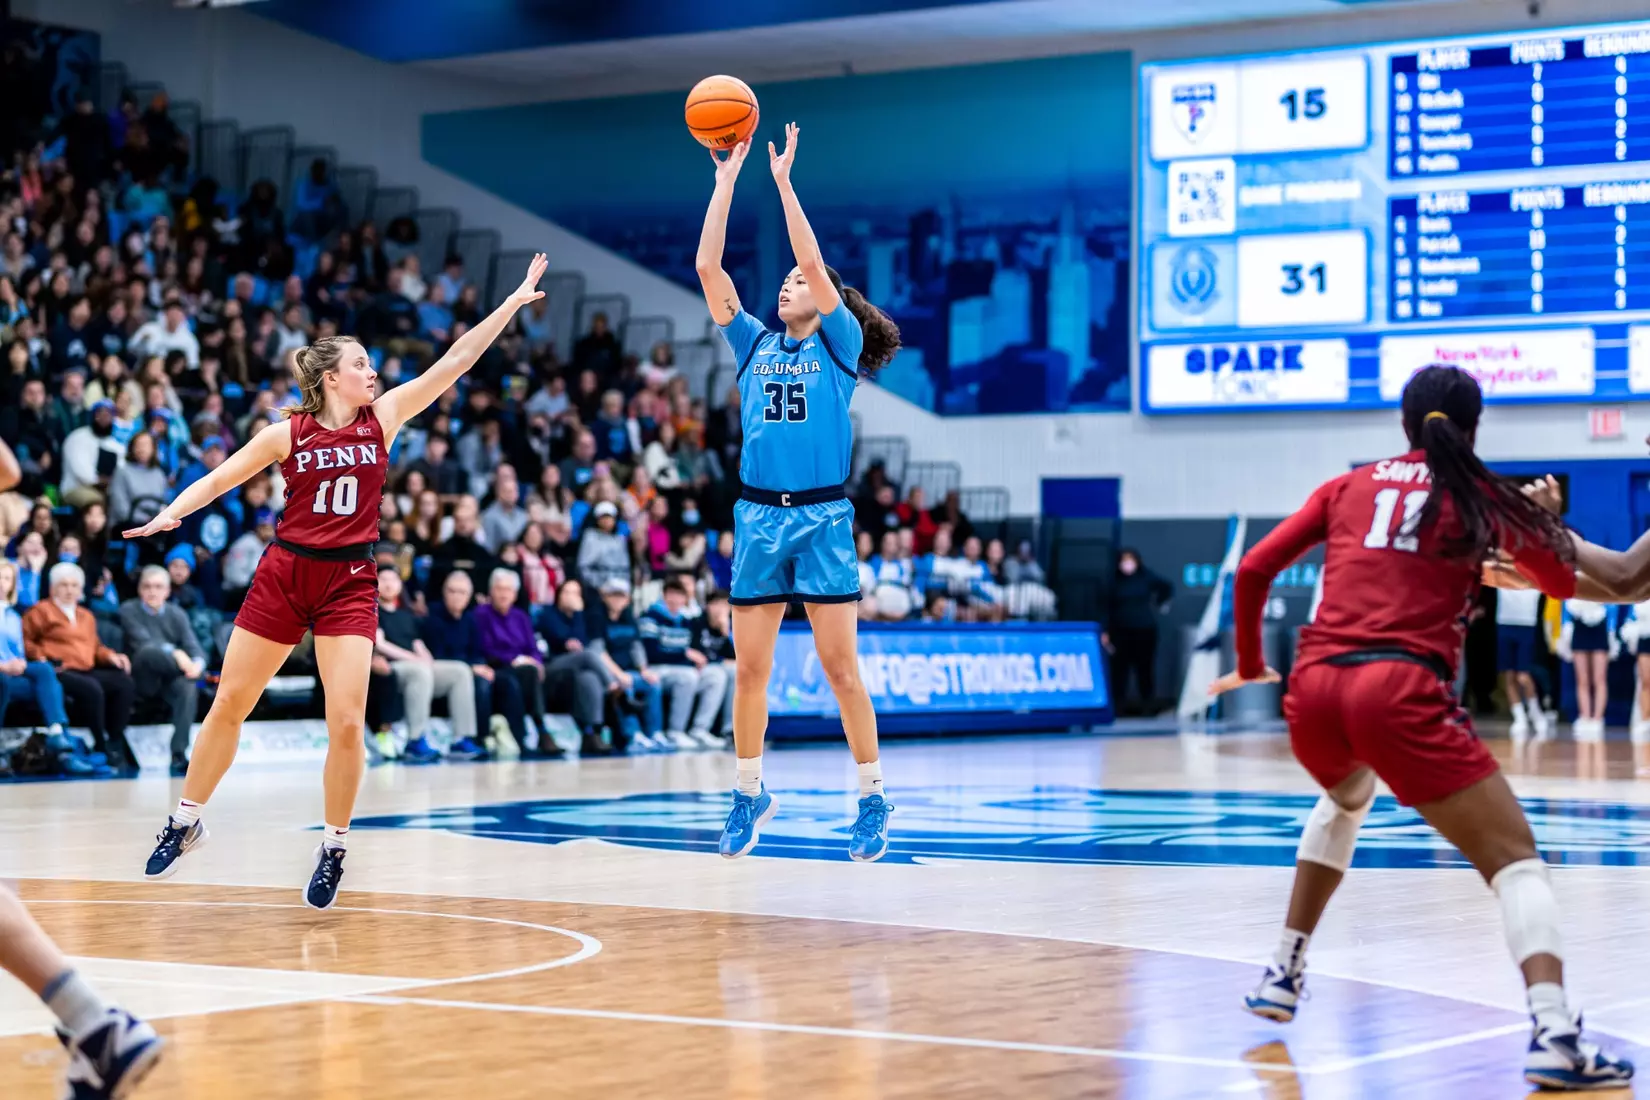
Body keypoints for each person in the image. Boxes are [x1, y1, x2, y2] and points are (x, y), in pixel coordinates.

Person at [1211, 365, 1631, 1091]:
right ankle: (1555, 1034)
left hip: (1313, 694)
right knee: (1517, 862)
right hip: (1396, 687)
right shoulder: (1485, 497)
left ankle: (1283, 970)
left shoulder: (1348, 486)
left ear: (1404, 425)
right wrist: (1545, 523)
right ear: (1474, 429)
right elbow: (1588, 583)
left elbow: (1253, 569)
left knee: (1345, 799)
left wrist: (1252, 664)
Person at [130, 254, 550, 909]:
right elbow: (220, 479)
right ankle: (184, 821)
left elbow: (455, 362)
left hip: (350, 581)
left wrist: (514, 302)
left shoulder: (384, 419)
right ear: (331, 378)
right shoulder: (285, 433)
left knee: (348, 724)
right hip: (285, 574)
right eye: (360, 364)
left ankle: (333, 847)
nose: (373, 371)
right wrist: (171, 514)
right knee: (228, 705)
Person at [697, 127, 902, 860]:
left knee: (841, 670)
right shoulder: (750, 342)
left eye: (798, 282)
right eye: (781, 281)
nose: (787, 283)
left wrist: (782, 182)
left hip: (821, 519)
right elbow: (708, 264)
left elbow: (813, 260)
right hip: (756, 518)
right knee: (749, 670)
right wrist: (727, 178)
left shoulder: (838, 346)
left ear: (821, 300)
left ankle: (873, 798)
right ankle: (748, 792)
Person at [25, 562, 138, 773]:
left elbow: (96, 647)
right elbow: (28, 641)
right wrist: (40, 657)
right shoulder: (40, 611)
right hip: (60, 670)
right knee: (92, 688)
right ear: (53, 588)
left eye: (74, 586)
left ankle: (114, 740)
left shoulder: (86, 615)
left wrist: (112, 656)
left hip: (87, 667)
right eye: (64, 585)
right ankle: (100, 743)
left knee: (124, 683)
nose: (69, 590)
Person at [374, 565, 476, 764]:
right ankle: (415, 739)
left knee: (460, 671)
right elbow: (381, 644)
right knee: (419, 671)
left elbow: (417, 644)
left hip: (415, 665)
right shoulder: (372, 611)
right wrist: (414, 660)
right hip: (391, 667)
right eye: (383, 579)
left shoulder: (407, 616)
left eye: (393, 580)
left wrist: (427, 660)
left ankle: (461, 738)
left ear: (400, 585)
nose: (388, 584)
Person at [119, 565, 207, 776]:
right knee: (149, 651)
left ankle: (178, 753)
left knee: (187, 687)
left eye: (158, 587)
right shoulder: (128, 610)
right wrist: (176, 654)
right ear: (139, 590)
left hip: (172, 679)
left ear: (167, 591)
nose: (152, 591)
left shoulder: (177, 614)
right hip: (142, 678)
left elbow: (196, 649)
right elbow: (144, 642)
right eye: (147, 586)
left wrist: (197, 665)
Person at [473, 567, 563, 759]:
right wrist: (514, 660)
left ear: (515, 594)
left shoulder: (521, 616)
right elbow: (485, 647)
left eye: (508, 590)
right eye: (499, 589)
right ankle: (537, 731)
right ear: (491, 592)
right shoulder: (480, 615)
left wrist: (537, 662)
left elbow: (533, 648)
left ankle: (537, 731)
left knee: (533, 672)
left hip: (523, 668)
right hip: (496, 667)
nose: (504, 593)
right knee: (520, 677)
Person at [639, 577, 727, 749]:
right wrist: (685, 655)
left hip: (681, 668)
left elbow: (693, 651)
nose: (675, 600)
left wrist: (690, 657)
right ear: (664, 596)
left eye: (680, 596)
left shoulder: (685, 620)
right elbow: (652, 653)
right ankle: (675, 731)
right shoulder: (650, 616)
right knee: (688, 677)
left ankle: (700, 729)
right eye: (671, 595)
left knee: (716, 675)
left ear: (685, 599)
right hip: (656, 669)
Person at [588, 577, 665, 750]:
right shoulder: (596, 618)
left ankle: (655, 733)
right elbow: (598, 651)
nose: (617, 600)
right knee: (625, 685)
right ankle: (633, 734)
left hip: (630, 671)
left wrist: (644, 669)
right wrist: (619, 674)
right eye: (613, 595)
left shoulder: (629, 618)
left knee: (653, 684)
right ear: (605, 597)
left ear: (627, 599)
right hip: (608, 674)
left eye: (621, 596)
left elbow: (636, 646)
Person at [1104, 548, 1173, 716]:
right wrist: (1105, 631)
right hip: (1120, 632)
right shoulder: (1113, 582)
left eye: (1131, 560)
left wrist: (1159, 603)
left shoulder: (1146, 577)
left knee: (1145, 669)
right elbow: (1105, 607)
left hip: (1144, 631)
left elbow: (1167, 586)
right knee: (1119, 671)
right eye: (1124, 560)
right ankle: (1118, 706)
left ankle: (1147, 706)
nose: (1127, 564)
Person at [1494, 586, 1550, 742]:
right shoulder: (1502, 572)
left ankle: (1535, 712)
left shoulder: (1531, 576)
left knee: (1523, 675)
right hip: (1504, 623)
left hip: (1526, 625)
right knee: (1509, 675)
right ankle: (1519, 717)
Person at [1558, 598, 1615, 739]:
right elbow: (1565, 602)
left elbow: (1612, 601)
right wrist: (1565, 627)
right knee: (1582, 678)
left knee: (1599, 678)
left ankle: (1597, 718)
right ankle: (1585, 716)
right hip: (1579, 623)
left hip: (1600, 623)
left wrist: (1611, 630)